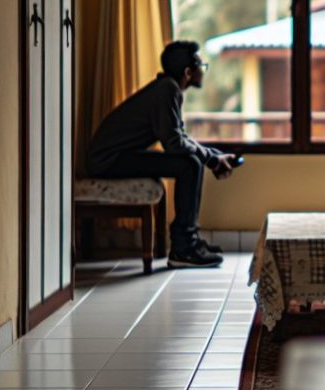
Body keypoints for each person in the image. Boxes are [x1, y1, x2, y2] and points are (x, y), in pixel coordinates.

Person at [86, 40, 238, 268]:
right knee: (190, 164)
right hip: (107, 161)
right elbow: (175, 144)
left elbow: (178, 137)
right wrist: (211, 159)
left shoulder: (167, 88)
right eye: (201, 66)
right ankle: (184, 247)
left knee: (193, 160)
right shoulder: (167, 90)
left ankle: (189, 241)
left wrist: (213, 156)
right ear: (188, 72)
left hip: (118, 157)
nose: (202, 70)